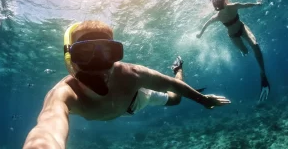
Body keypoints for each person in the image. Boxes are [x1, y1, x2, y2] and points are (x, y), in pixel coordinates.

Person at [23, 20, 230, 149]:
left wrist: (203, 100)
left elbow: (173, 87)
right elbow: (47, 130)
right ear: (70, 59)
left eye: (108, 53)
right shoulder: (64, 93)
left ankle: (179, 70)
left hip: (134, 101)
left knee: (175, 100)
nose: (99, 66)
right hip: (121, 104)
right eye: (85, 54)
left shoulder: (132, 75)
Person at [196, 0, 270, 102]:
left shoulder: (233, 6)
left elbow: (245, 5)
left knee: (255, 45)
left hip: (242, 28)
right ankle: (243, 51)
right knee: (245, 51)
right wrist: (200, 34)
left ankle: (262, 73)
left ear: (223, 2)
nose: (220, 8)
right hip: (233, 36)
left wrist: (257, 4)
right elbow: (206, 24)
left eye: (221, 4)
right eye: (218, 7)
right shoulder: (218, 16)